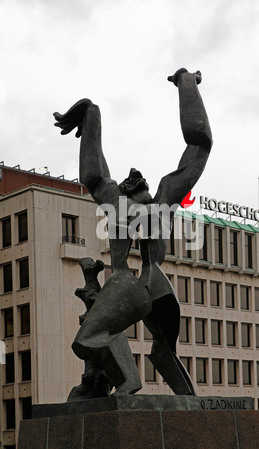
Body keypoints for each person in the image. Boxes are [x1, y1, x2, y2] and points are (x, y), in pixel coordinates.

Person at [54, 67, 212, 396]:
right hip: (160, 287)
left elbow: (93, 176)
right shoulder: (163, 199)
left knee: (88, 340)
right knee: (164, 350)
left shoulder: (122, 203)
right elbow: (200, 145)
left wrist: (91, 117)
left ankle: (128, 381)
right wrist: (187, 83)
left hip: (131, 283)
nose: (134, 173)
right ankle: (189, 402)